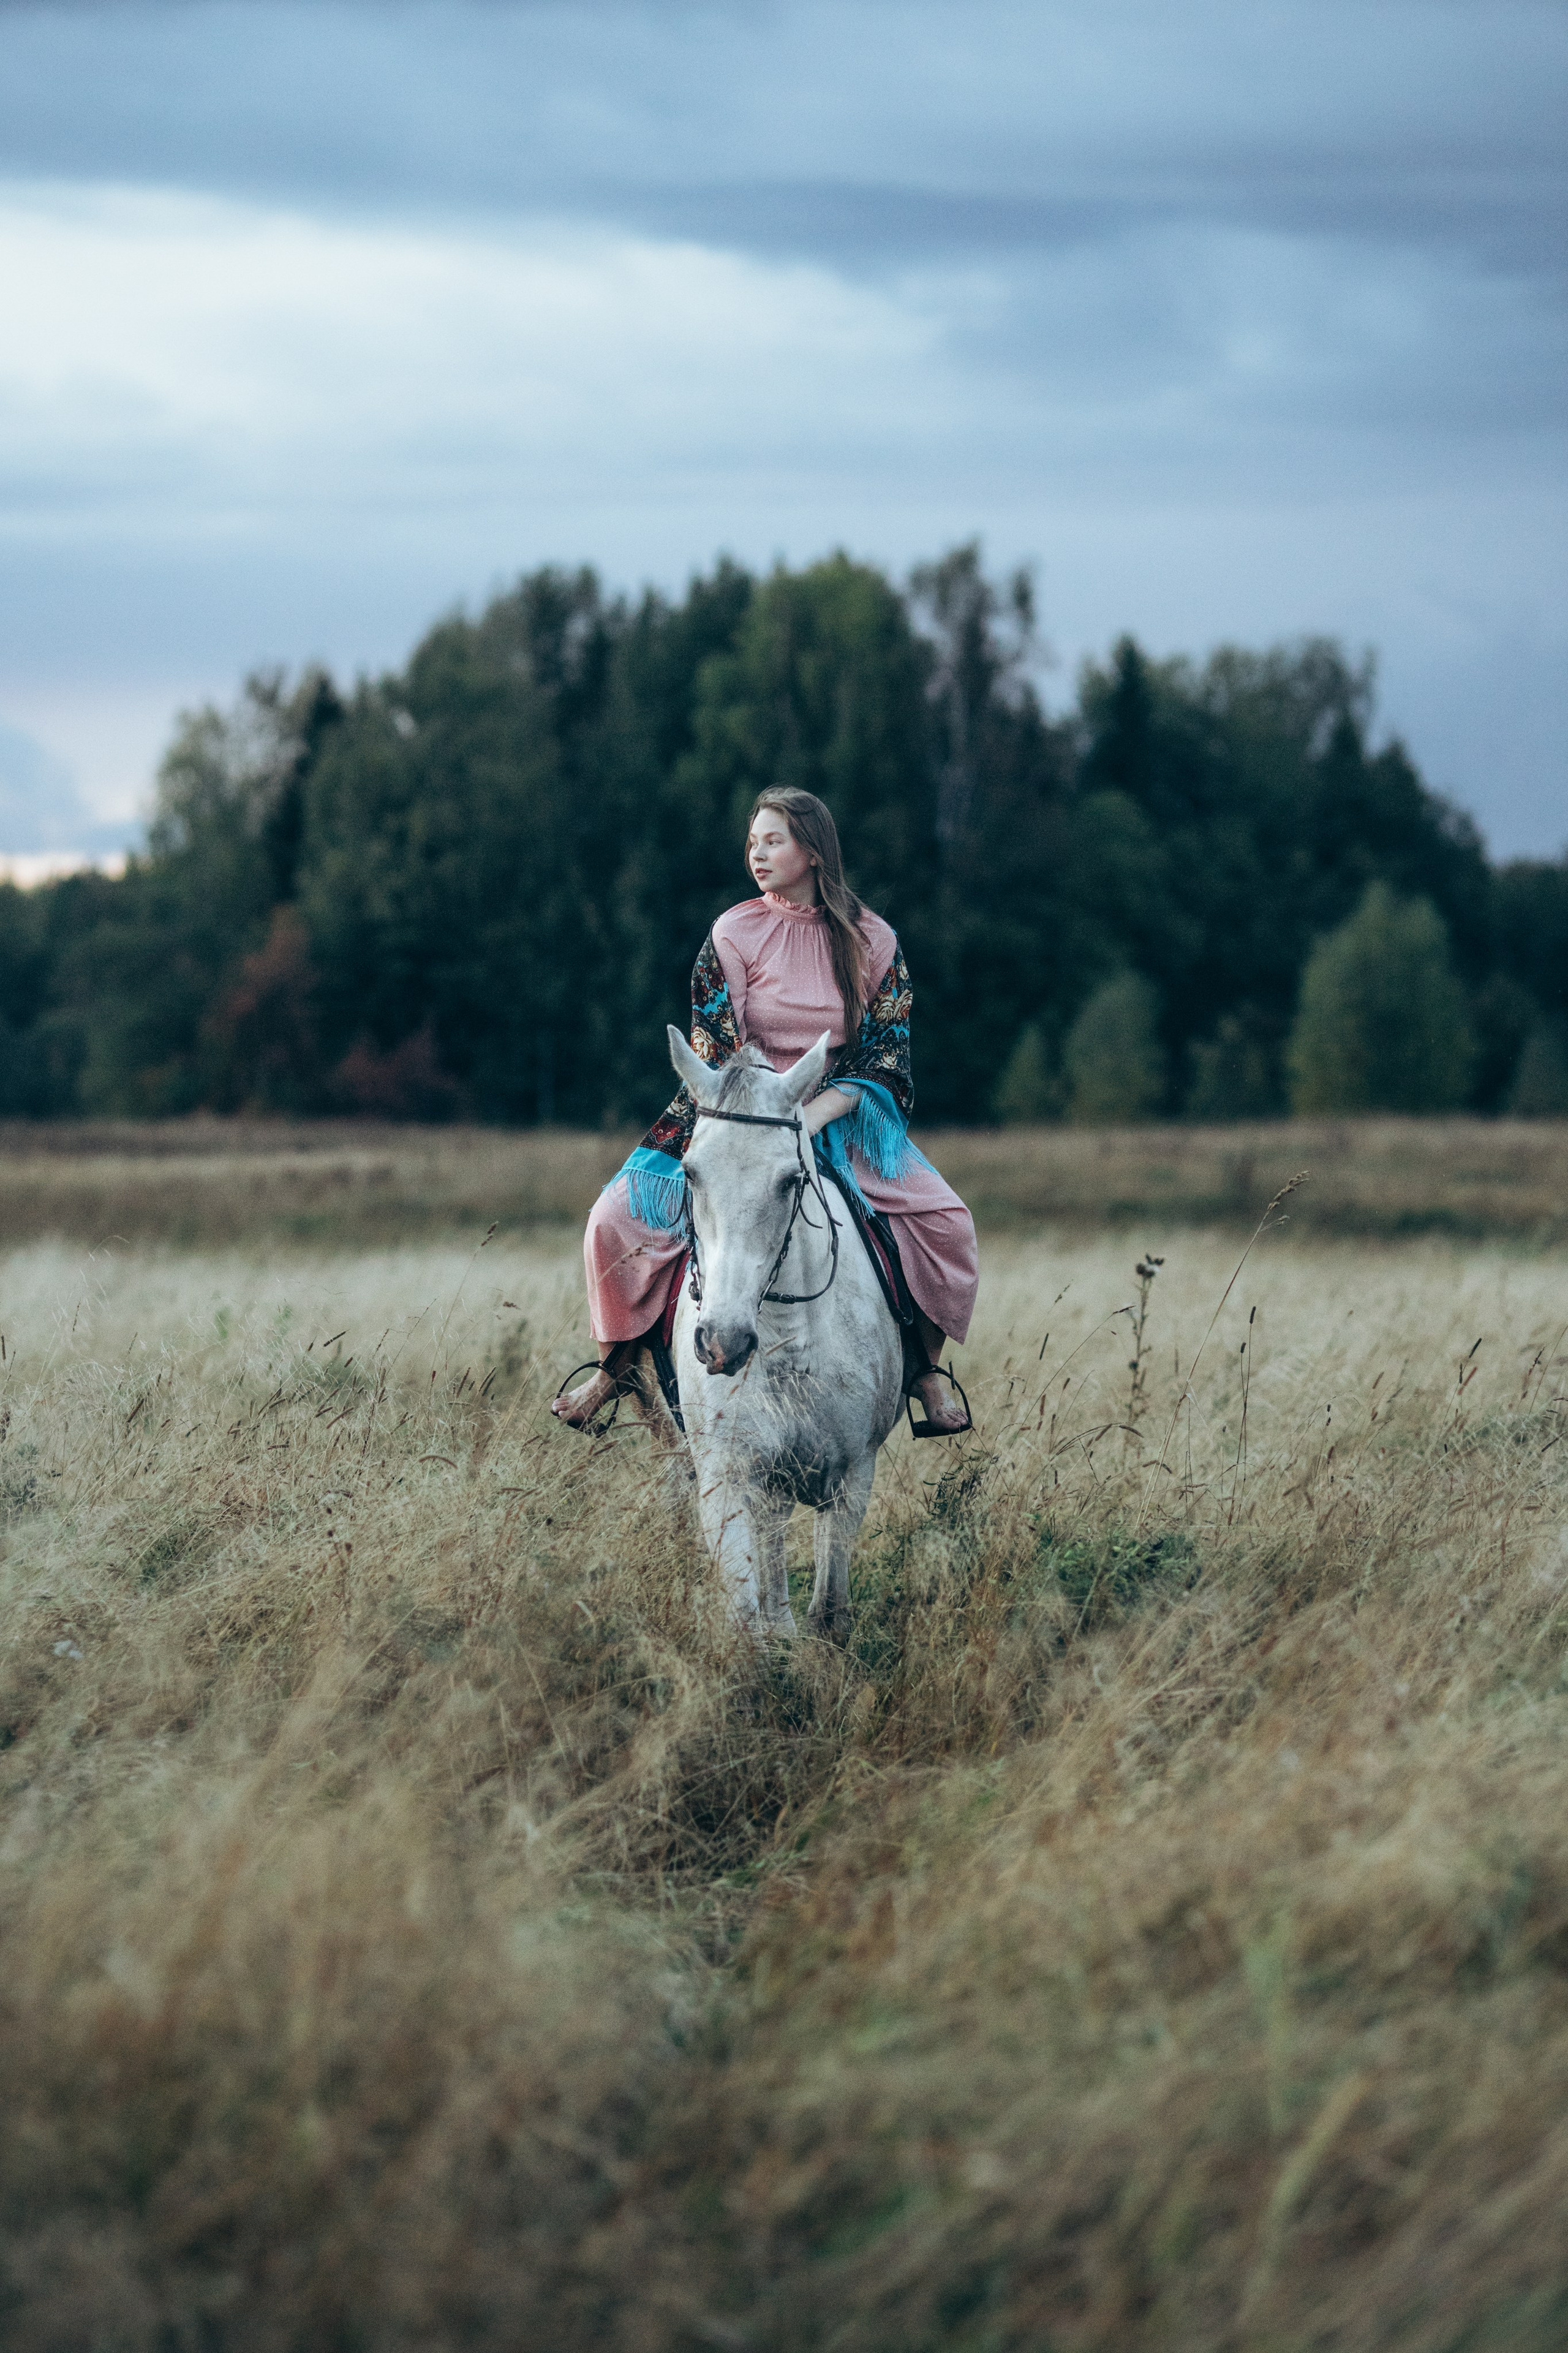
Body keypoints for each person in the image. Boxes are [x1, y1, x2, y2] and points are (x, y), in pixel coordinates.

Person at [553, 788, 978, 1433]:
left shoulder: (874, 939)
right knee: (611, 1220)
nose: (757, 853)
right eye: (752, 841)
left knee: (949, 1223)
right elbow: (715, 1046)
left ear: (812, 850)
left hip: (837, 1116)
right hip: (736, 1116)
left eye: (773, 840)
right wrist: (770, 1117)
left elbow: (887, 1055)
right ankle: (613, 1368)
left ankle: (923, 1369)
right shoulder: (732, 931)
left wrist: (811, 1117)